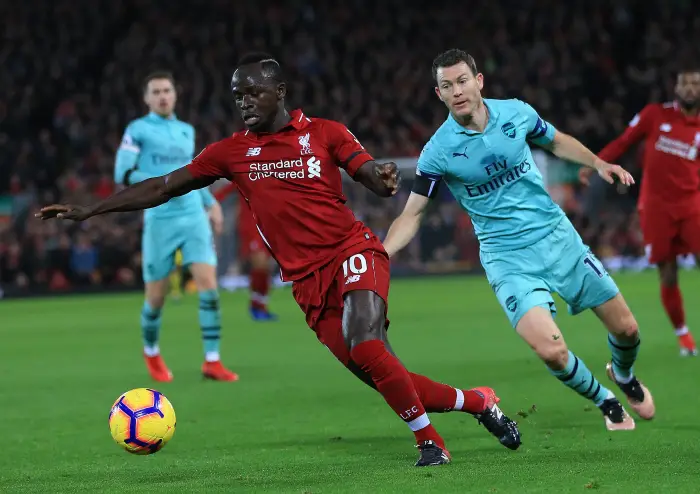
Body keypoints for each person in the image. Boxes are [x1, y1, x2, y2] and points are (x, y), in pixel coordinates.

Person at [37, 53, 521, 467]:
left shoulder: (325, 133)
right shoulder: (231, 152)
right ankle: (479, 401)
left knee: (369, 347)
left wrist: (382, 175)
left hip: (353, 251)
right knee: (379, 372)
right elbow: (166, 186)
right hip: (306, 281)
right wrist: (91, 209)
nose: (244, 101)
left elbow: (366, 169)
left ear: (280, 92)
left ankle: (430, 443)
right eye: (237, 95)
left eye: (252, 92)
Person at [383, 48, 655, 432]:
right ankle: (605, 399)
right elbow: (412, 213)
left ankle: (623, 376)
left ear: (478, 81)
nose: (457, 90)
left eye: (462, 81)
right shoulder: (438, 151)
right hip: (507, 259)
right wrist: (382, 252)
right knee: (551, 350)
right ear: (438, 94)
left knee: (627, 330)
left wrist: (597, 163)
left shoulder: (516, 113)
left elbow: (557, 141)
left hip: (558, 239)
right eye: (447, 85)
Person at [113, 71, 237, 382]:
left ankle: (212, 360)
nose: (163, 96)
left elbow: (194, 175)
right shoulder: (137, 130)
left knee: (209, 288)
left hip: (193, 215)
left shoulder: (186, 130)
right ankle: (151, 351)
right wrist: (162, 182)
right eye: (156, 92)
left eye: (167, 90)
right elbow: (122, 172)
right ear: (146, 99)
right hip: (159, 218)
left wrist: (211, 203)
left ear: (175, 94)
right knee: (156, 298)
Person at [583, 64, 700, 357]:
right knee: (668, 273)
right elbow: (625, 140)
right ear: (676, 88)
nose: (689, 89)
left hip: (692, 205)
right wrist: (598, 163)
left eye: (694, 84)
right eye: (684, 83)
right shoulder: (655, 115)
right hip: (657, 208)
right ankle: (684, 337)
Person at [214, 183, 278, 321]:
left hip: (269, 226)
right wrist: (209, 204)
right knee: (260, 263)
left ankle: (260, 304)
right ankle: (257, 305)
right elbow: (224, 191)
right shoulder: (246, 175)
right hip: (251, 226)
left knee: (267, 266)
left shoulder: (273, 175)